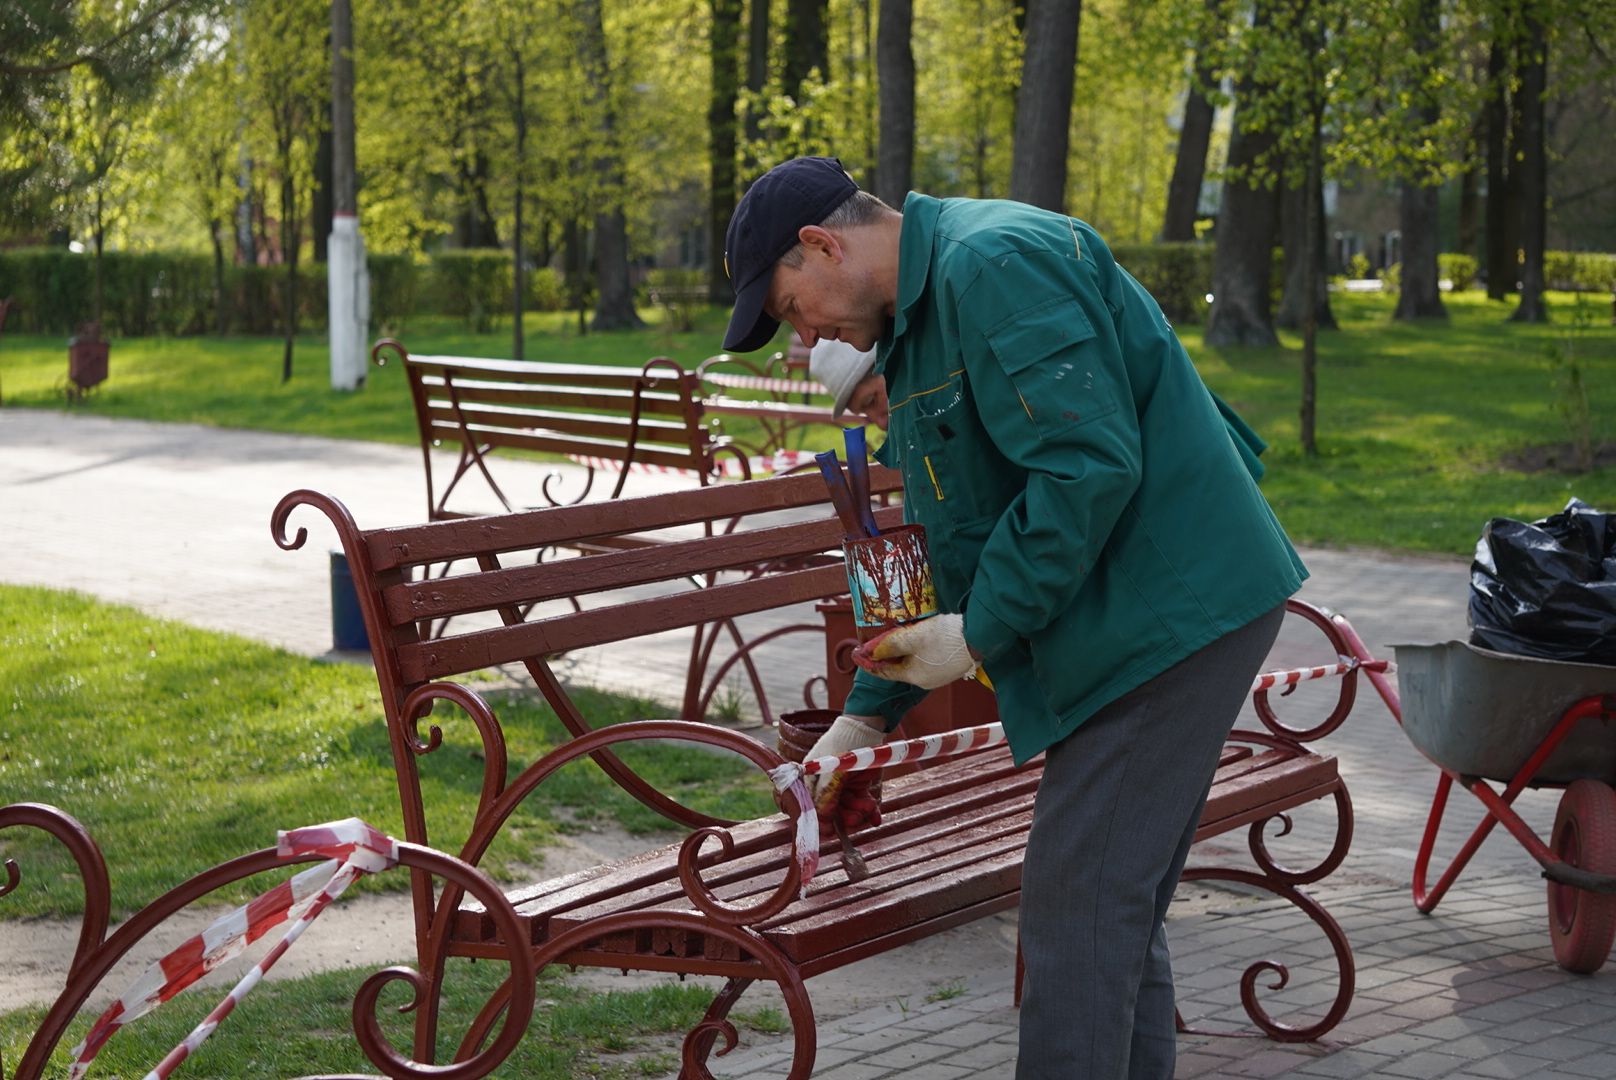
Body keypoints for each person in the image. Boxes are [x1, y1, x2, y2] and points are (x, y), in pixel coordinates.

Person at [724, 156, 1306, 1080]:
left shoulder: (991, 263)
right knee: (1108, 908)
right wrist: (864, 712)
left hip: (1167, 615)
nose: (805, 338)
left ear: (821, 244)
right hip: (1133, 617)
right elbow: (951, 537)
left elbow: (1087, 469)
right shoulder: (922, 320)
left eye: (792, 308)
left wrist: (979, 630)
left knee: (1079, 907)